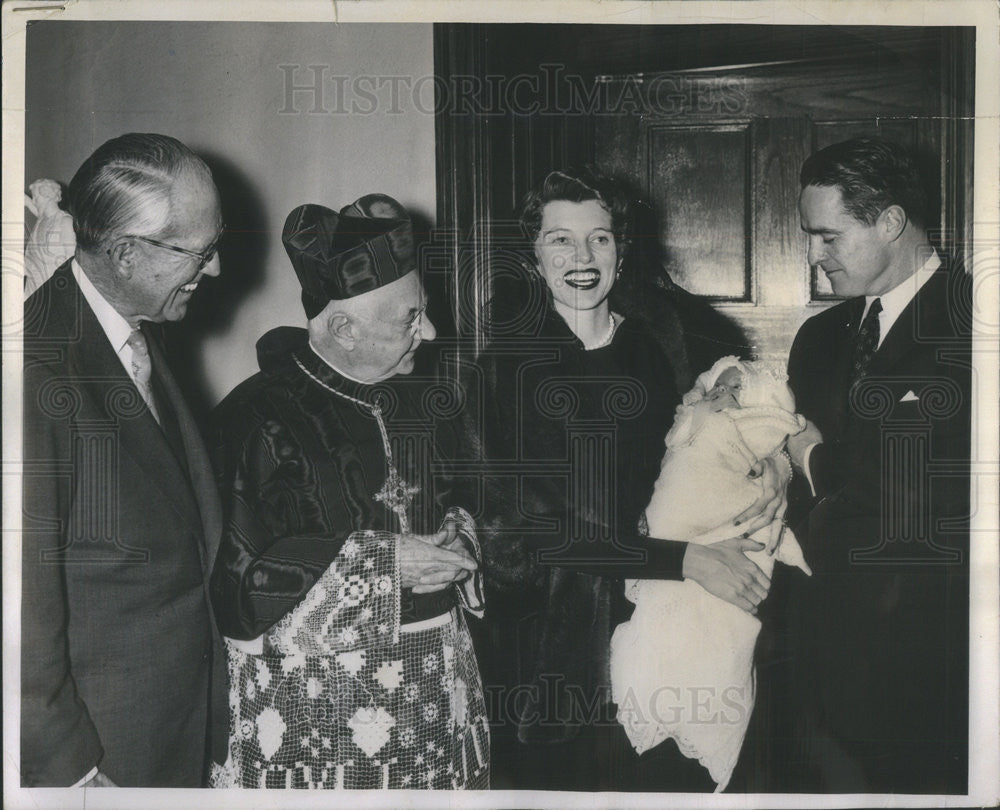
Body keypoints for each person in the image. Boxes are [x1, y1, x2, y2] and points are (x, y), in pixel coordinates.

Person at [455, 168, 785, 792]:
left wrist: (770, 464)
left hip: (674, 632)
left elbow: (718, 438)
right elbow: (524, 536)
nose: (581, 259)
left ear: (622, 249)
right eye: (560, 240)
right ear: (533, 253)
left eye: (599, 239)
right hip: (559, 652)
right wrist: (685, 559)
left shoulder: (662, 348)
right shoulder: (502, 372)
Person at [208, 195, 491, 790]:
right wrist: (384, 566)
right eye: (410, 318)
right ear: (343, 327)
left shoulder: (433, 400)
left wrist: (459, 539)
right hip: (321, 711)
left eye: (425, 311)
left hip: (437, 697)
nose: (431, 332)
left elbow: (469, 499)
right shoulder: (254, 417)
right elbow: (236, 585)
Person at [21, 133, 228, 786]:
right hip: (104, 758)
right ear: (123, 252)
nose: (216, 270)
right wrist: (72, 773)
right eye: (199, 252)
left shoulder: (135, 331)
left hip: (170, 735)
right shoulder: (36, 367)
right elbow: (17, 607)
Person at [783, 138, 971, 792]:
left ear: (890, 223)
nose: (814, 254)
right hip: (814, 657)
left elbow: (914, 504)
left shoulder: (976, 325)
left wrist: (812, 458)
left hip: (926, 668)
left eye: (828, 236)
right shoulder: (819, 338)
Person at [610, 356, 811, 791]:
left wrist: (779, 461)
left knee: (712, 649)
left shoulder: (657, 347)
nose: (720, 395)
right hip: (596, 595)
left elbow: (772, 428)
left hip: (707, 571)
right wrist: (679, 555)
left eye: (733, 390)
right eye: (717, 388)